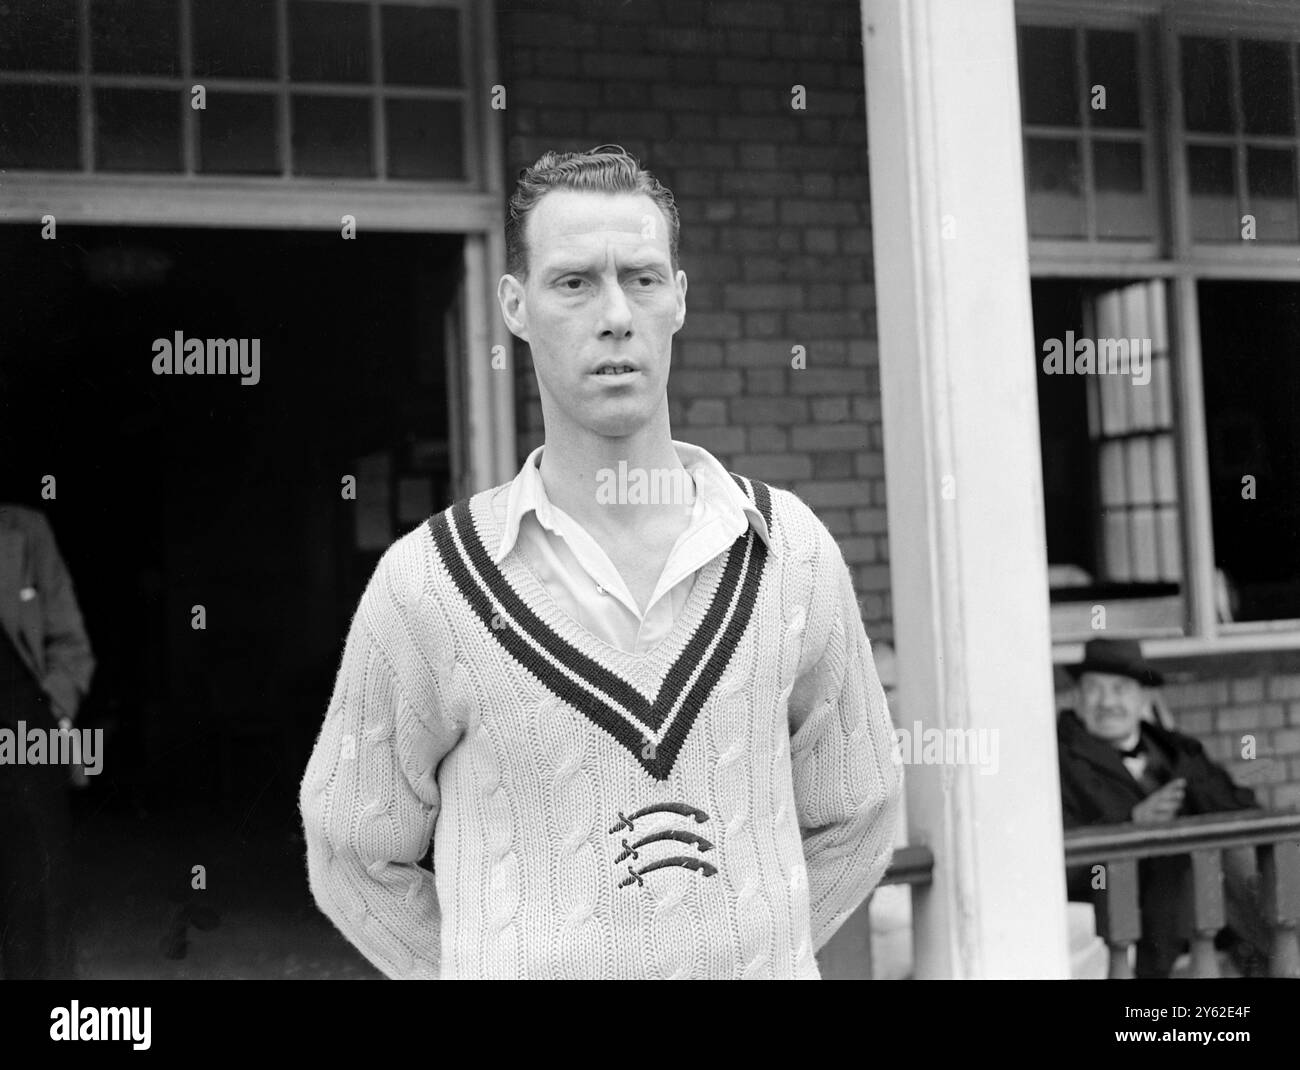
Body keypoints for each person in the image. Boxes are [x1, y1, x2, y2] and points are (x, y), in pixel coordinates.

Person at [298, 145, 903, 979]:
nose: (615, 313)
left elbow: (860, 811)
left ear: (679, 299)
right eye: (574, 282)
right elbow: (353, 852)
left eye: (643, 278)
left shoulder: (788, 553)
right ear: (515, 306)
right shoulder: (428, 583)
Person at [1057, 637, 1269, 977]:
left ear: (1144, 698)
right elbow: (1057, 860)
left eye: (1121, 689)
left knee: (1241, 853)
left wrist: (1188, 782)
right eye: (1094, 689)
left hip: (1204, 906)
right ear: (1077, 699)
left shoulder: (1176, 749)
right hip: (1119, 908)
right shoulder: (1056, 758)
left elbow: (1242, 807)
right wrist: (1132, 822)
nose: (1107, 702)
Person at [0, 503, 95, 979]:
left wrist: (55, 710)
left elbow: (68, 640)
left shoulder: (24, 529)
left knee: (35, 886)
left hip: (22, 723)